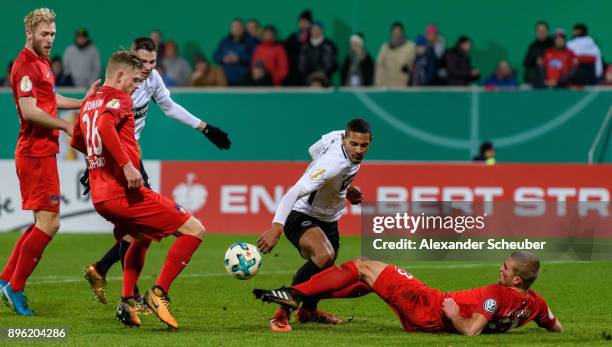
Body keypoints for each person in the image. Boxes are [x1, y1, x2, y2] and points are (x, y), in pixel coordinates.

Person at [83, 37, 231, 308]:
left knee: (138, 232)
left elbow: (170, 107)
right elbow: (99, 126)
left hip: (127, 158)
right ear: (129, 62)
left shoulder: (150, 79)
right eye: (142, 63)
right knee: (143, 230)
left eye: (153, 62)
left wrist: (205, 128)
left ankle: (113, 281)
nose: (148, 68)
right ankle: (127, 291)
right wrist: (98, 161)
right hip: (121, 162)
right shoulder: (117, 86)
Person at [72, 51, 207, 329]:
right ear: (120, 76)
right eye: (134, 80)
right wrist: (126, 166)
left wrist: (98, 163)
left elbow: (78, 138)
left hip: (101, 196)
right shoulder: (119, 98)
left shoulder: (89, 103)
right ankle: (158, 295)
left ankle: (127, 302)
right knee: (195, 230)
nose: (136, 86)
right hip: (124, 192)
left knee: (140, 237)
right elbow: (106, 126)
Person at [0, 8, 99, 315]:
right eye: (44, 34)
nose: (49, 39)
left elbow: (49, 100)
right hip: (35, 152)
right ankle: (15, 288)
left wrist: (82, 102)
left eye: (53, 34)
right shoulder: (26, 66)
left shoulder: (42, 63)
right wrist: (66, 125)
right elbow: (30, 111)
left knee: (41, 224)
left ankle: (5, 281)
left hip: (41, 151)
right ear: (29, 33)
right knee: (50, 223)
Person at [254, 251, 563, 335]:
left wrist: (456, 315)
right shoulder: (536, 305)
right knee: (367, 283)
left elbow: (471, 331)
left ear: (517, 280)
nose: (501, 270)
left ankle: (292, 294)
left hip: (430, 306)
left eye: (506, 268)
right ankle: (307, 305)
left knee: (362, 265)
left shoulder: (498, 293)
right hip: (426, 316)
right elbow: (554, 325)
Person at [257, 119, 371, 331]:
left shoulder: (337, 137)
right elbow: (293, 192)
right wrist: (276, 227)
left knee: (324, 265)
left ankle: (308, 311)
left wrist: (346, 186)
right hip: (301, 213)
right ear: (345, 139)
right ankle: (281, 314)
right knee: (323, 255)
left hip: (330, 217)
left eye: (363, 145)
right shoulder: (331, 165)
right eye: (354, 144)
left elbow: (313, 149)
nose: (358, 150)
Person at [214, 19, 254, 86]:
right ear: (231, 28)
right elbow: (216, 55)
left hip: (243, 78)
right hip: (225, 78)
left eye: (239, 27)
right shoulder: (224, 41)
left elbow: (254, 58)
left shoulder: (250, 41)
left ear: (243, 28)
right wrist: (223, 58)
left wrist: (239, 59)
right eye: (234, 27)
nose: (237, 29)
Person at [375, 22, 416, 87]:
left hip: (405, 87)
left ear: (403, 32)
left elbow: (414, 66)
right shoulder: (385, 47)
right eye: (394, 31)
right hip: (388, 87)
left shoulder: (411, 46)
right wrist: (379, 85)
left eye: (398, 31)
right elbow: (379, 67)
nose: (396, 34)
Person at [298, 21, 338, 86]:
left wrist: (320, 78)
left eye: (317, 29)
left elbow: (331, 64)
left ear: (322, 30)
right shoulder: (305, 46)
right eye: (313, 29)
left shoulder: (329, 45)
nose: (315, 31)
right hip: (308, 82)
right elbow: (302, 65)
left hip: (324, 81)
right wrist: (310, 79)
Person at [284, 10, 312, 85]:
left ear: (309, 23)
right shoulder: (293, 36)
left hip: (307, 74)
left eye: (305, 21)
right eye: (300, 21)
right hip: (292, 73)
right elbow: (284, 46)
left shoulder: (312, 38)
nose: (302, 24)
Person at [523, 21, 553, 87]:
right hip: (537, 80)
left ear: (547, 31)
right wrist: (536, 60)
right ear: (536, 32)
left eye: (543, 31)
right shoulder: (533, 46)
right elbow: (526, 63)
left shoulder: (553, 45)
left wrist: (545, 61)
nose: (541, 33)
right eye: (539, 31)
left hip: (552, 79)